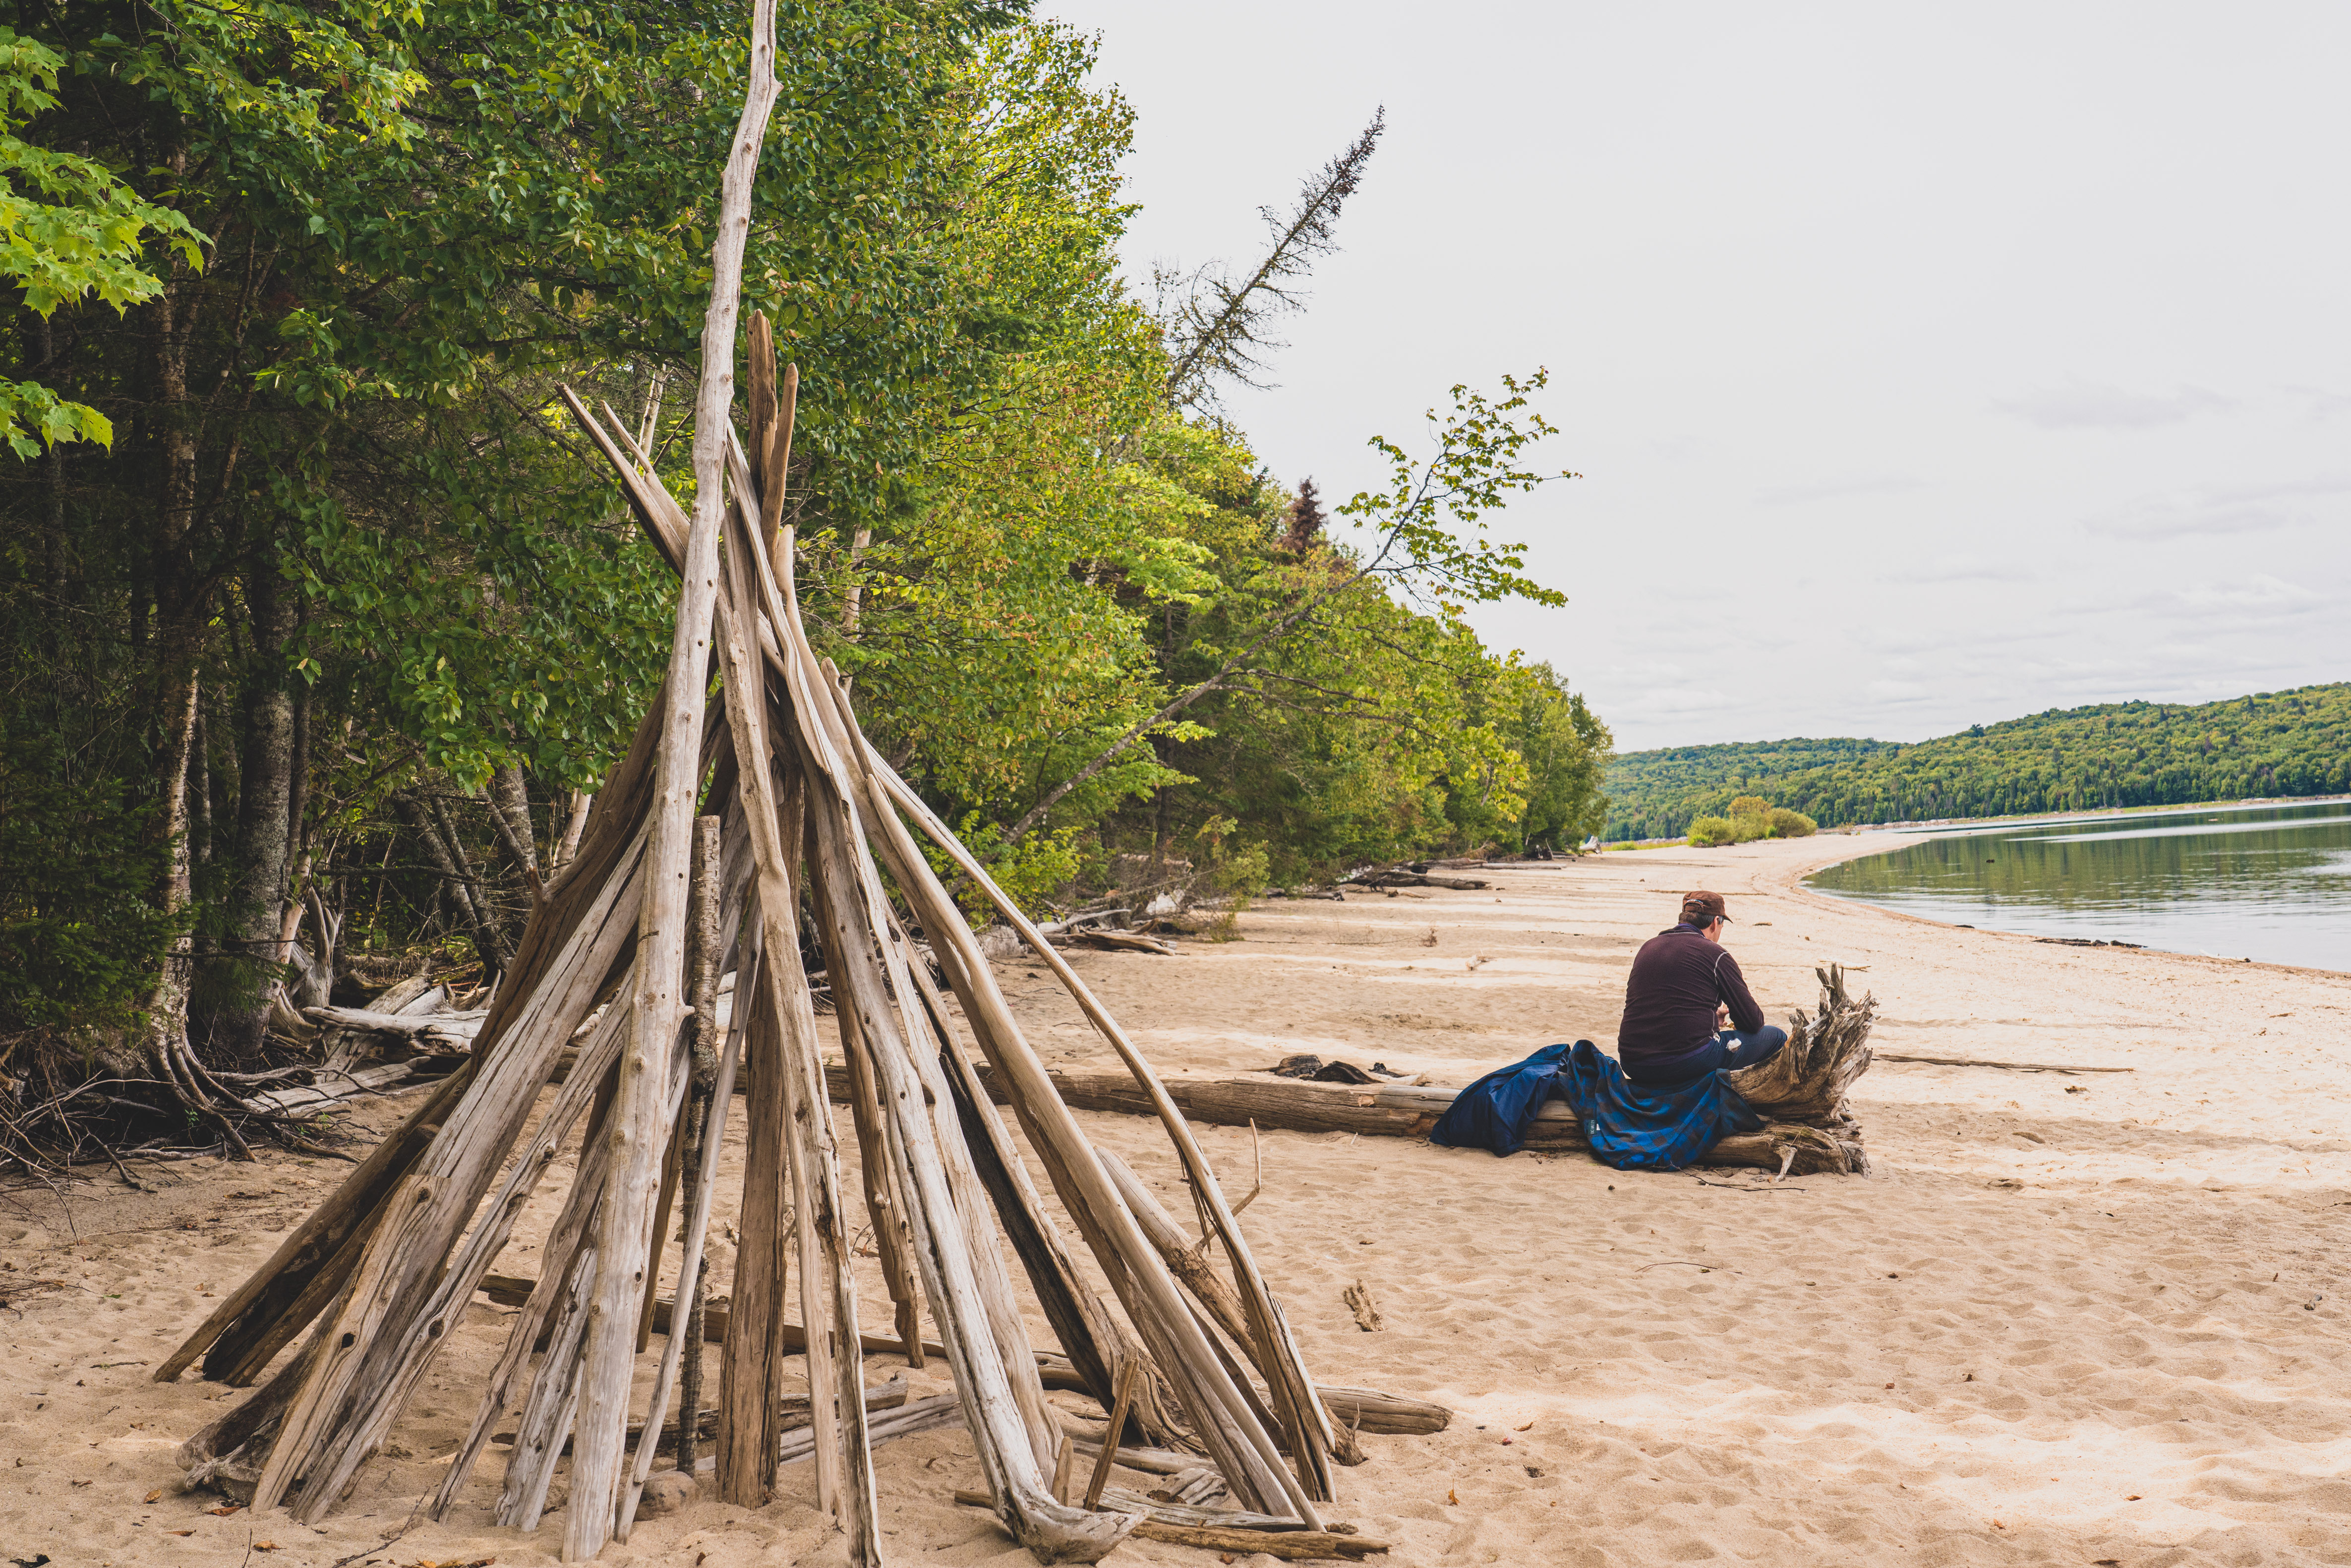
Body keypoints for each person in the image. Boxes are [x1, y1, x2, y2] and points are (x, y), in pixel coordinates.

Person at [1615, 890, 1786, 1090]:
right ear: (1715, 922)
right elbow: (1753, 1022)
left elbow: (1660, 1003)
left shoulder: (1648, 947)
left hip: (1633, 1062)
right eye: (1722, 924)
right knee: (1775, 1037)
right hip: (1685, 1061)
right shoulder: (1716, 955)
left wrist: (1710, 1016)